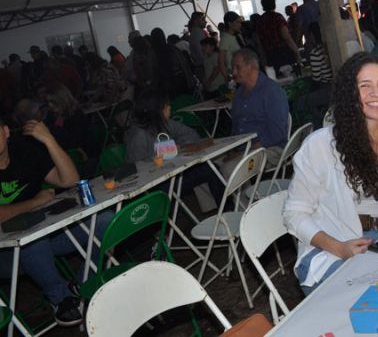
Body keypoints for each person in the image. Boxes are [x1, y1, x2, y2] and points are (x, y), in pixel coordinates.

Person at [283, 52, 378, 294]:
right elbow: (294, 214)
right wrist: (339, 248)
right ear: (349, 94)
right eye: (365, 86)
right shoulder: (320, 145)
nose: (376, 93)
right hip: (330, 252)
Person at [0, 116, 100, 326]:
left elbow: (71, 180)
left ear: (6, 132)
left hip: (45, 234)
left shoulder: (24, 150)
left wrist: (48, 139)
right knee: (32, 241)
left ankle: (82, 284)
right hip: (7, 252)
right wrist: (35, 202)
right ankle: (61, 299)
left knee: (102, 221)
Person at [124, 92, 224, 203]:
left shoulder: (165, 123)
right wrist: (166, 150)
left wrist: (177, 146)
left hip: (174, 172)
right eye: (166, 106)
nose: (170, 107)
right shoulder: (138, 135)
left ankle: (227, 208)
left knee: (211, 168)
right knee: (208, 170)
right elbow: (137, 168)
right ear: (156, 111)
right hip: (156, 185)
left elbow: (192, 134)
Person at [230, 49, 289, 168]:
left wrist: (244, 153)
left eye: (238, 67)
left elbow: (277, 134)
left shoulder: (272, 91)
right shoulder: (238, 95)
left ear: (251, 67)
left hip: (270, 149)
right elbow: (236, 128)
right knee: (209, 169)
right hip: (244, 150)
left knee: (228, 169)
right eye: (232, 68)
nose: (233, 73)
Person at [256, 0, 302, 78]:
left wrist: (264, 60)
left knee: (277, 80)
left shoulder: (260, 21)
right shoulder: (277, 17)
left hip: (270, 56)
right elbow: (287, 37)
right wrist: (297, 52)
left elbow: (259, 43)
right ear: (274, 3)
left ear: (262, 4)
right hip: (283, 54)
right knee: (290, 78)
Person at [219, 12, 243, 80]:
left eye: (240, 22)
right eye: (237, 22)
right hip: (236, 72)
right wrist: (226, 77)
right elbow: (221, 61)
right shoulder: (225, 38)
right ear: (229, 23)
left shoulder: (238, 35)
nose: (240, 25)